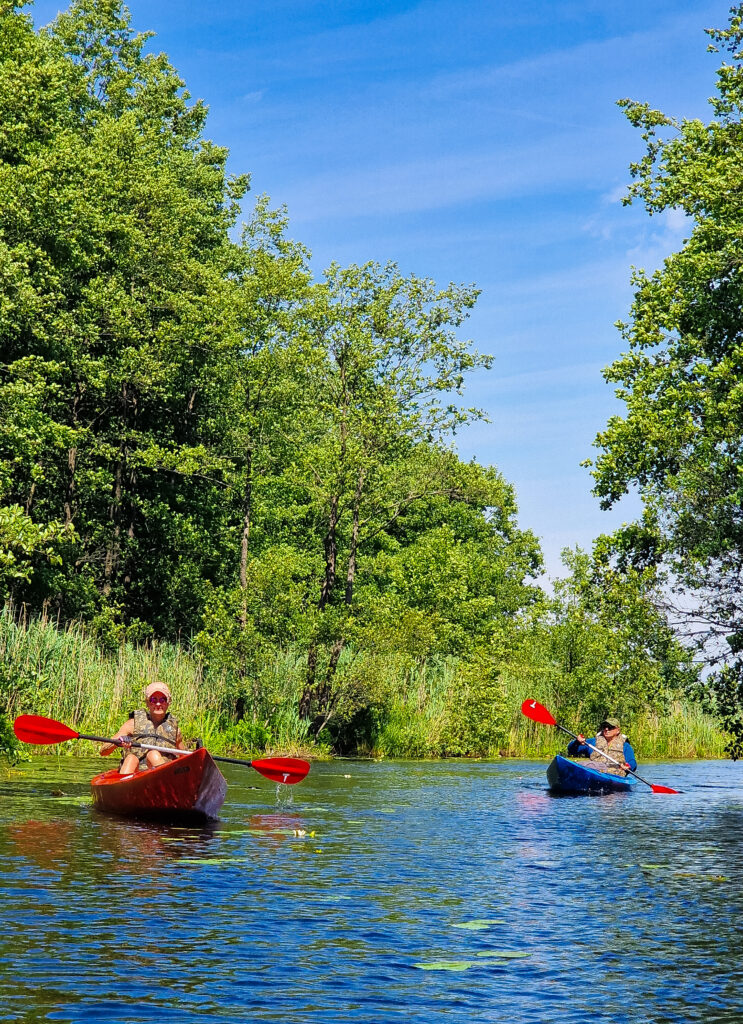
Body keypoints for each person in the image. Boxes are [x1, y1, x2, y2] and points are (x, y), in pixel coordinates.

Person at [100, 682, 186, 775]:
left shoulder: (175, 730)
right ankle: (123, 786)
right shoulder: (132, 724)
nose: (158, 703)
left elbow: (185, 759)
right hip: (136, 776)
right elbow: (103, 751)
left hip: (163, 778)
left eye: (162, 700)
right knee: (131, 758)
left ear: (168, 702)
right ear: (147, 703)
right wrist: (118, 742)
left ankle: (166, 781)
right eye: (153, 699)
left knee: (153, 755)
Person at [566, 717, 637, 777]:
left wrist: (628, 766)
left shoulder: (625, 746)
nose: (606, 729)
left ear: (618, 730)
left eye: (610, 727)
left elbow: (632, 762)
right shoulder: (593, 742)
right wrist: (577, 742)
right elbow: (572, 750)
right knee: (583, 764)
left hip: (615, 775)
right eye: (604, 727)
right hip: (595, 773)